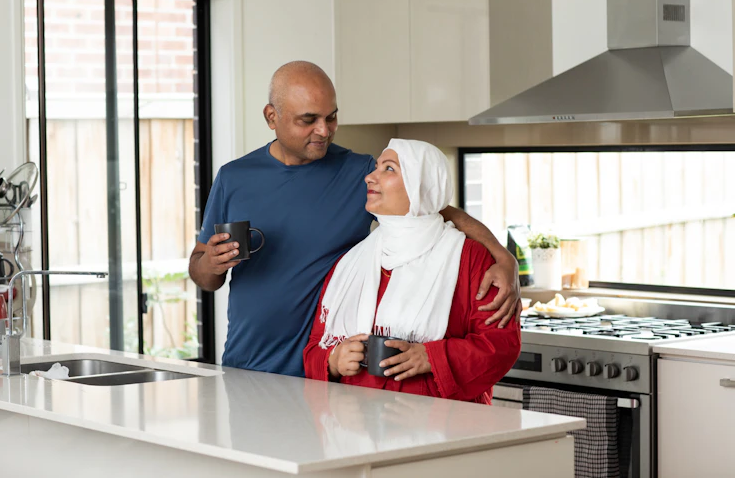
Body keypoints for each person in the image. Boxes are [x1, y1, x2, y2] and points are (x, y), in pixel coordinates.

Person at [188, 61, 521, 377]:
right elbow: (202, 271)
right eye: (308, 120)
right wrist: (212, 265)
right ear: (271, 116)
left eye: (331, 117)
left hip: (325, 367)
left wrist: (504, 257)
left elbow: (431, 208)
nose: (324, 130)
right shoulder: (234, 177)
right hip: (247, 364)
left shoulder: (359, 172)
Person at [304, 139, 521, 403]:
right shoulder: (351, 263)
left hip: (440, 424)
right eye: (376, 168)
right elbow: (316, 343)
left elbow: (499, 346)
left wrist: (432, 357)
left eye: (389, 169)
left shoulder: (470, 258)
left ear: (421, 186)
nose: (370, 177)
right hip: (354, 427)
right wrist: (333, 361)